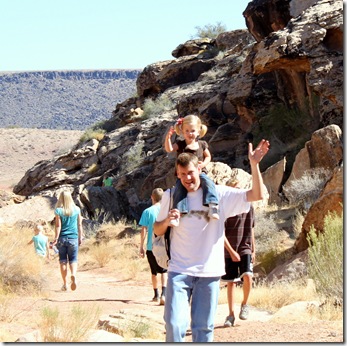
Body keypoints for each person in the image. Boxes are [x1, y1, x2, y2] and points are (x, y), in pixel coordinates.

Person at [154, 139, 269, 342]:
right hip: (179, 270)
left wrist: (254, 165)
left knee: (203, 329)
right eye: (181, 175)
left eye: (190, 173)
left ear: (199, 168)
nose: (187, 179)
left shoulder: (220, 194)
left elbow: (256, 195)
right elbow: (157, 229)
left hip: (209, 272)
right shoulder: (171, 196)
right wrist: (167, 222)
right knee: (174, 324)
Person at [164, 115, 219, 226]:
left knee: (208, 182)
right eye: (187, 131)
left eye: (193, 131)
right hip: (183, 174)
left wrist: (203, 164)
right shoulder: (181, 144)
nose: (190, 134)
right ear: (182, 132)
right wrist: (168, 138)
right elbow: (169, 149)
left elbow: (208, 156)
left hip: (199, 173)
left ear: (199, 131)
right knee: (179, 189)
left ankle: (213, 205)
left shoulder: (201, 144)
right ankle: (177, 213)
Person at [222, 178, 256, 327]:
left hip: (244, 245)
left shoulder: (249, 205)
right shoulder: (224, 208)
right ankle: (230, 315)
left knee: (248, 275)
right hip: (228, 247)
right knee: (231, 282)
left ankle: (245, 304)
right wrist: (230, 251)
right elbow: (220, 233)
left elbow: (251, 227)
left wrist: (253, 248)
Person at [139, 188, 168, 305]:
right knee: (164, 271)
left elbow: (143, 229)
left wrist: (141, 246)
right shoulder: (166, 211)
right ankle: (164, 294)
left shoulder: (147, 211)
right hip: (164, 246)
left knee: (154, 271)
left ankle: (156, 295)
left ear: (152, 197)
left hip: (151, 246)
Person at [52, 190, 83, 292]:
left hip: (62, 238)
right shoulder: (77, 209)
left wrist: (56, 238)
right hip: (73, 238)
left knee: (63, 261)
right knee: (73, 260)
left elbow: (58, 226)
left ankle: (65, 284)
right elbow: (79, 224)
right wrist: (80, 236)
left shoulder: (58, 211)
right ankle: (73, 275)